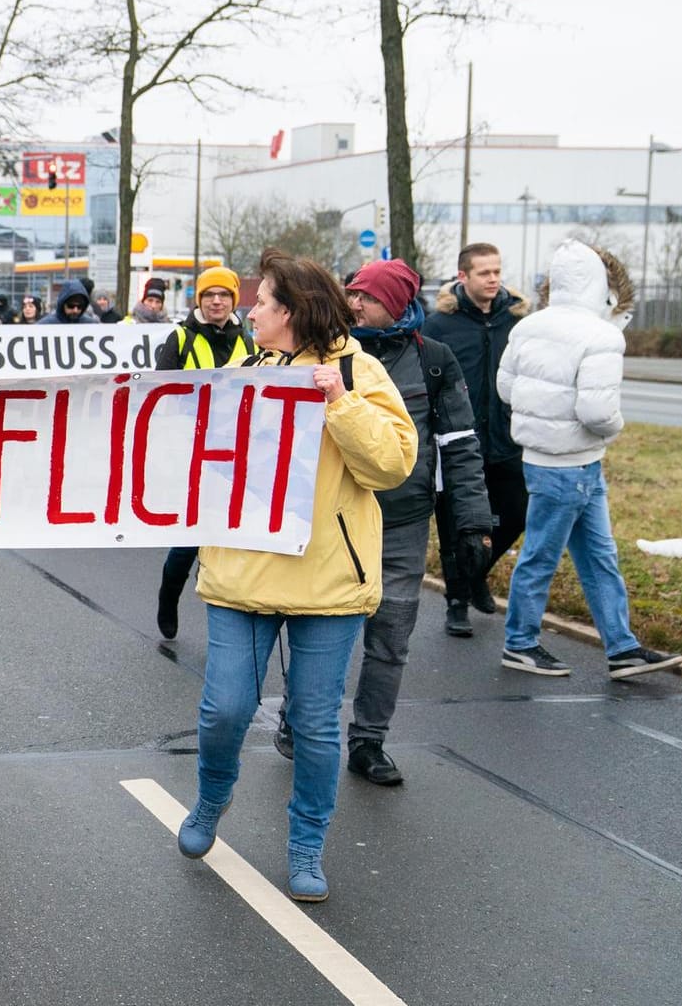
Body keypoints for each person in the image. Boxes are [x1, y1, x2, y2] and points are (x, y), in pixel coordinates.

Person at [175, 249, 414, 904]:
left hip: (327, 582)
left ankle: (307, 842)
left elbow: (393, 464)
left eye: (262, 302)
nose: (250, 310)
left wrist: (341, 405)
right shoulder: (239, 372)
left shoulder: (356, 371)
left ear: (293, 312)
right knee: (225, 708)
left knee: (313, 722)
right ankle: (210, 799)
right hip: (243, 574)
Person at [318, 260, 494, 786]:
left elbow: (460, 447)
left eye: (365, 298)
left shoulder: (434, 362)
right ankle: (300, 723)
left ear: (393, 304)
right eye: (350, 294)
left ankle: (368, 742)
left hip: (403, 522)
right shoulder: (326, 355)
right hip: (338, 521)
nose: (353, 305)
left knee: (390, 638)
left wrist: (472, 520)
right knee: (320, 630)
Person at [495, 241, 682, 680]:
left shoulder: (528, 327)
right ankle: (520, 643)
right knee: (549, 556)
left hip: (548, 459)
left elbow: (506, 388)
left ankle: (622, 648)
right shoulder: (602, 335)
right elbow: (598, 414)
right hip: (574, 463)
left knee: (595, 556)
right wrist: (614, 428)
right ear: (599, 284)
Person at [422, 242, 528, 637]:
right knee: (455, 524)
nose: (494, 279)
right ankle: (456, 604)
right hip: (457, 442)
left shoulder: (515, 321)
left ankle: (478, 570)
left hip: (505, 439)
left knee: (518, 512)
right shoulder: (440, 326)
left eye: (497, 271)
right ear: (462, 277)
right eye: (485, 272)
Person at [152, 265, 258, 641]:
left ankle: (230, 614)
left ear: (234, 300)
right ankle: (169, 595)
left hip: (237, 451)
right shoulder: (179, 338)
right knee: (188, 538)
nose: (217, 301)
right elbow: (159, 391)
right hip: (192, 450)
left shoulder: (250, 340)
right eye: (210, 295)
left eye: (224, 295)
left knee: (233, 533)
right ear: (199, 300)